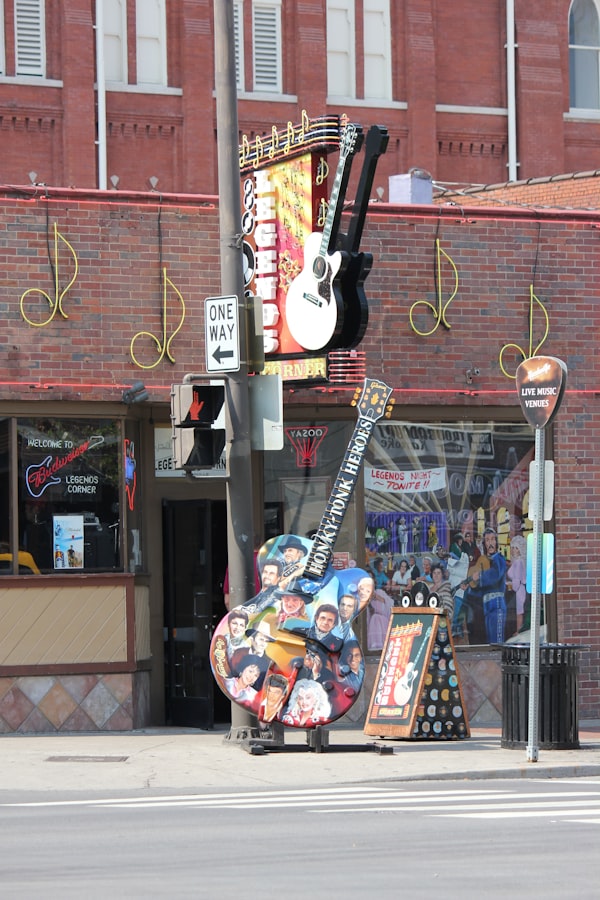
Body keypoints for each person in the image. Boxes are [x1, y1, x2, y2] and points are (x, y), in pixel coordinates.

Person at [468, 528, 507, 643]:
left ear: (496, 542)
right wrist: (470, 586)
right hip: (486, 604)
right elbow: (481, 590)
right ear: (484, 544)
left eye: (492, 540)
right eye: (487, 540)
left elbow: (495, 576)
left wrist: (479, 577)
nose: (490, 543)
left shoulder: (499, 559)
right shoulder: (484, 561)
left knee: (497, 641)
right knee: (491, 641)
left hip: (497, 603)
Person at [507, 534, 527, 634]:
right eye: (513, 548)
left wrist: (512, 585)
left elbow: (517, 579)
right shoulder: (517, 562)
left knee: (519, 611)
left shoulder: (518, 562)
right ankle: (518, 630)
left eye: (516, 548)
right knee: (519, 611)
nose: (514, 550)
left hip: (519, 590)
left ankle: (518, 630)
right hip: (520, 589)